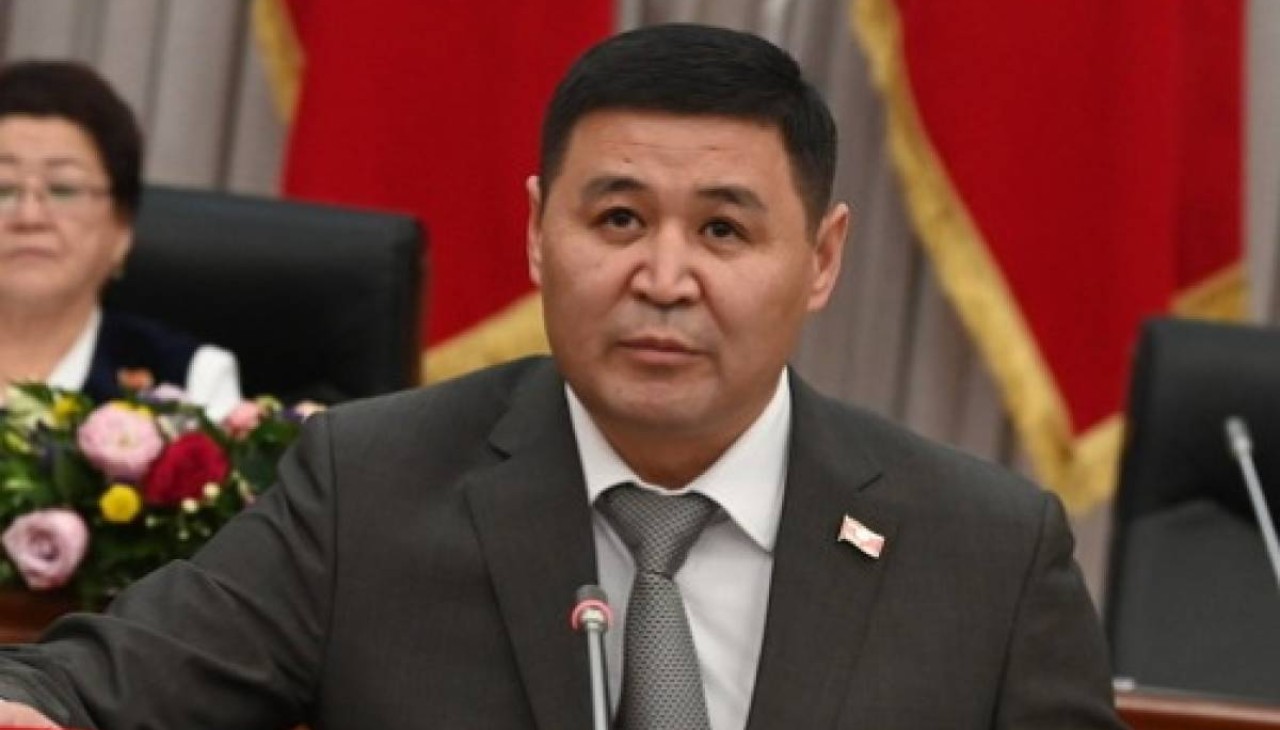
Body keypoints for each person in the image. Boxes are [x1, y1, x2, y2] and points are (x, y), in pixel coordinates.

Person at [0, 25, 1122, 729]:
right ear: (539, 232)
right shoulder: (369, 485)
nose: (663, 279)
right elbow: (83, 689)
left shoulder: (982, 550)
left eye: (724, 231)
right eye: (619, 219)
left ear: (821, 258)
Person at [0, 60, 241, 420]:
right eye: (3, 189)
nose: (30, 217)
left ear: (122, 228)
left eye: (63, 189)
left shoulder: (192, 381)